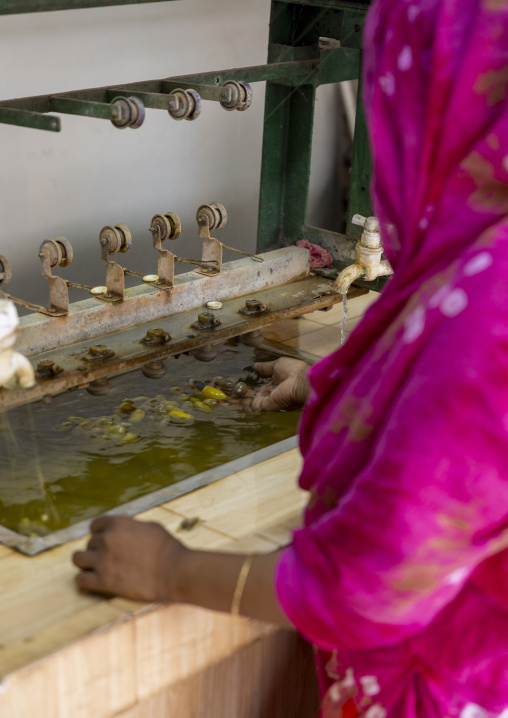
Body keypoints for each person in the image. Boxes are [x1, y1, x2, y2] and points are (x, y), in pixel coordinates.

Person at [73, 0, 508, 714]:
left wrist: (172, 568)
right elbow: (466, 428)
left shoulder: (492, 305)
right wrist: (337, 386)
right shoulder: (483, 258)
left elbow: (364, 590)